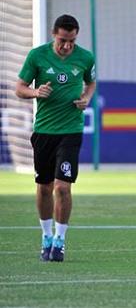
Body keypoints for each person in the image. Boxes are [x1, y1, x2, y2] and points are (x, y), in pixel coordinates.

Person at [15, 14, 96, 262]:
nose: (67, 46)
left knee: (63, 187)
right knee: (44, 188)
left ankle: (60, 241)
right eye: (63, 40)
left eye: (71, 41)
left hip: (70, 131)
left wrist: (86, 98)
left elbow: (91, 82)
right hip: (44, 132)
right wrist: (35, 92)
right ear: (54, 34)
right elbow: (20, 88)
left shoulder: (85, 57)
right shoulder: (37, 56)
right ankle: (46, 236)